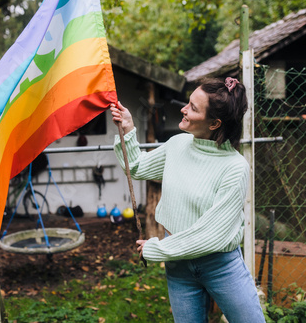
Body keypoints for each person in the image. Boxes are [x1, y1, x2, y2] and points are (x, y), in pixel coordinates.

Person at [111, 77, 265, 323]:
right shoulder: (178, 144)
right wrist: (128, 129)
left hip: (220, 265)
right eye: (188, 102)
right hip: (179, 265)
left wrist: (157, 249)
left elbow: (211, 234)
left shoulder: (235, 168)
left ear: (214, 123)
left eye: (193, 107)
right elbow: (137, 168)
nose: (183, 109)